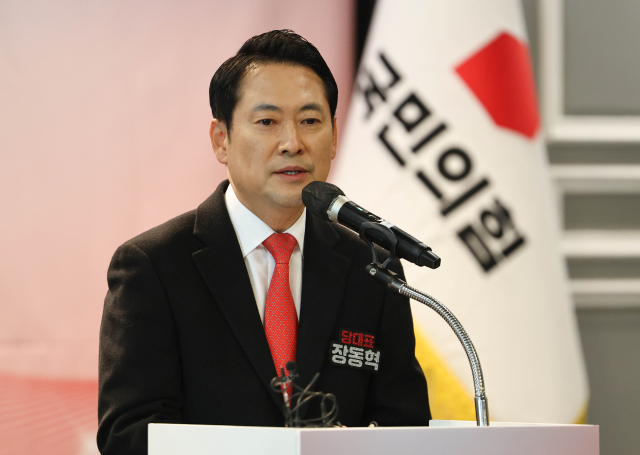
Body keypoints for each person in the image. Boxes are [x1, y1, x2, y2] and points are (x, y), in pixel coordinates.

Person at [97, 30, 430, 455]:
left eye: (310, 121)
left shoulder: (372, 268)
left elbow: (406, 425)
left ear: (333, 136)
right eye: (267, 122)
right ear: (221, 139)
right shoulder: (154, 266)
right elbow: (130, 435)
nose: (293, 143)